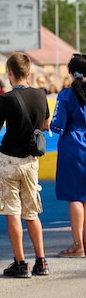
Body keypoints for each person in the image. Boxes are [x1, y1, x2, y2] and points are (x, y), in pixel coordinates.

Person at [0, 52, 50, 278]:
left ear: (10, 73)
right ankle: (41, 261)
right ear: (28, 71)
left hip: (8, 161)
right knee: (32, 212)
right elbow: (45, 126)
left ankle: (21, 263)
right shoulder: (41, 95)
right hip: (30, 161)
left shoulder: (5, 99)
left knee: (12, 212)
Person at [51, 54, 86, 258]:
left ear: (70, 72)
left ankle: (77, 244)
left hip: (73, 145)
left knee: (74, 196)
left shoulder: (65, 94)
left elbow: (58, 125)